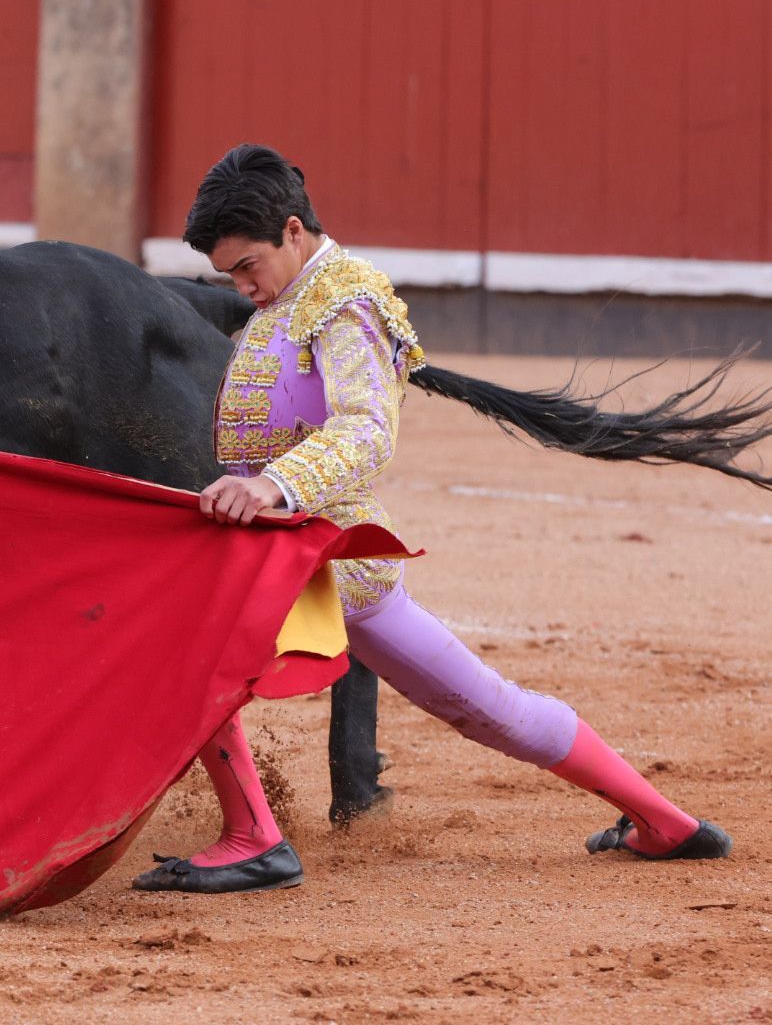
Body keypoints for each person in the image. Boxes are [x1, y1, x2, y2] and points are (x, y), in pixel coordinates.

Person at [134, 144, 731, 894]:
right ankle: (666, 824)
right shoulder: (289, 301)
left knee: (184, 640)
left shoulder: (345, 303)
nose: (242, 286)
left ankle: (254, 837)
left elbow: (365, 430)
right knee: (489, 709)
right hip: (307, 551)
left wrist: (273, 487)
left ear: (291, 230)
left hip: (323, 555)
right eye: (230, 275)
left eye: (248, 266)